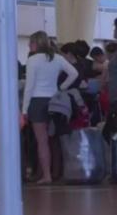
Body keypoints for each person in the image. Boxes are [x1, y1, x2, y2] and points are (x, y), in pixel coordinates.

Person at [23, 31, 78, 184]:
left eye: (31, 43)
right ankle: (57, 172)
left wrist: (24, 109)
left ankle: (46, 175)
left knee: (42, 141)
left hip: (37, 101)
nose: (29, 45)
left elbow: (29, 86)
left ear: (36, 43)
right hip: (55, 101)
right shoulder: (58, 58)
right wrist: (61, 87)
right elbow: (74, 73)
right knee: (55, 139)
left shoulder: (33, 60)